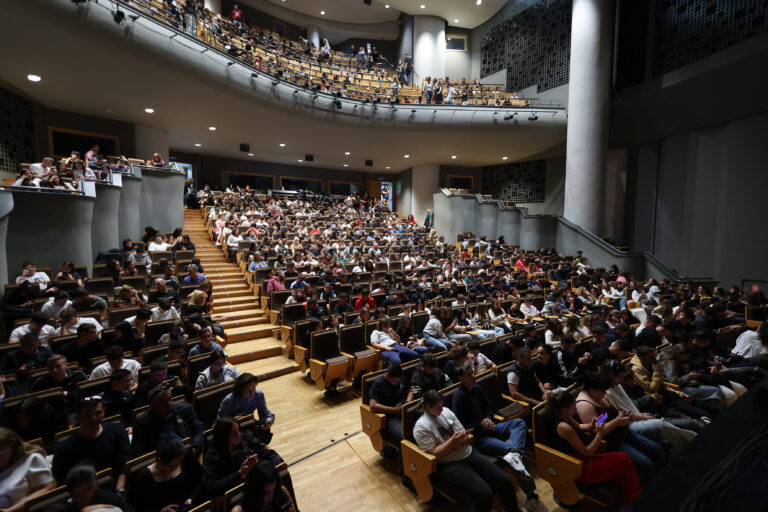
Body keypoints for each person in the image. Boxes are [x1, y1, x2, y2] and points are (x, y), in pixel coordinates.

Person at [452, 364, 548, 512]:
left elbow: (489, 408)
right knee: (512, 454)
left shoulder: (477, 388)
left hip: (492, 426)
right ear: (460, 378)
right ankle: (531, 497)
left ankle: (516, 451)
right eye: (469, 374)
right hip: (480, 437)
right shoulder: (458, 396)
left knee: (518, 423)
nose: (473, 376)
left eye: (473, 373)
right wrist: (482, 424)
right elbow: (462, 424)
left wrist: (488, 418)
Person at [413, 389, 521, 512]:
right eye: (438, 407)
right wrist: (453, 442)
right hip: (448, 463)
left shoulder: (446, 412)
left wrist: (456, 443)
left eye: (442, 405)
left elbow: (464, 435)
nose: (442, 409)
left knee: (505, 482)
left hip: (468, 452)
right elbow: (436, 454)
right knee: (484, 495)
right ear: (428, 406)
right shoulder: (421, 427)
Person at [548, 391, 641, 505]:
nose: (575, 409)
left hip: (579, 456)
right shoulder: (564, 428)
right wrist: (599, 434)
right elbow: (587, 452)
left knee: (625, 471)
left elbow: (579, 426)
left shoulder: (566, 416)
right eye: (573, 407)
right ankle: (633, 501)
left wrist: (591, 425)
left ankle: (631, 502)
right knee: (625, 459)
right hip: (576, 465)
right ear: (563, 408)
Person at [574, 373, 664, 487]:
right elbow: (597, 431)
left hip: (623, 432)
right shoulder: (584, 405)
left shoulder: (600, 396)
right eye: (602, 391)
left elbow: (607, 415)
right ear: (591, 389)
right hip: (611, 442)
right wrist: (617, 421)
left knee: (657, 450)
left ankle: (661, 482)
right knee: (646, 464)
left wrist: (629, 415)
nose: (605, 393)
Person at [53, 395, 131, 492]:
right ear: (77, 417)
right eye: (87, 415)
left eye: (97, 413)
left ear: (104, 411)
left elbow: (123, 466)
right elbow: (64, 485)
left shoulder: (117, 430)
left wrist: (120, 492)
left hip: (115, 491)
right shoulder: (64, 449)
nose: (93, 418)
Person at [202, 417, 284, 500]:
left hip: (259, 483)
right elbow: (211, 486)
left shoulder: (245, 437)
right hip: (239, 494)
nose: (238, 435)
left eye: (238, 430)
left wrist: (276, 468)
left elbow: (268, 453)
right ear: (224, 437)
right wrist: (239, 474)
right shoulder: (212, 457)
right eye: (234, 434)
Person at [127, 437, 202, 512]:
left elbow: (200, 478)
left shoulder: (186, 457)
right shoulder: (145, 476)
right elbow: (138, 508)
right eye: (171, 466)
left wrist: (191, 498)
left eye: (178, 464)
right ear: (159, 460)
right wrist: (161, 511)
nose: (175, 469)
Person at [131, 385, 205, 457]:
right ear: (153, 405)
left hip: (188, 454)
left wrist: (195, 447)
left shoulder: (185, 409)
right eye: (163, 402)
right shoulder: (142, 422)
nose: (169, 404)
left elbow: (199, 428)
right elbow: (137, 451)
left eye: (169, 399)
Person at [0, 427, 55, 512]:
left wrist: (11, 510)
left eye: (1, 451)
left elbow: (45, 489)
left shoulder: (32, 459)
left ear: (12, 446)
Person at [217, 373, 276, 444]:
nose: (252, 394)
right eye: (248, 391)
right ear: (240, 390)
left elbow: (264, 413)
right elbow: (218, 424)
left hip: (249, 426)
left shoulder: (258, 395)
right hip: (233, 431)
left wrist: (268, 420)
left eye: (254, 389)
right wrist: (232, 421)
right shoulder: (228, 400)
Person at [368, 363, 407, 458]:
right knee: (405, 436)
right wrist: (394, 410)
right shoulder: (378, 384)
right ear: (388, 376)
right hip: (390, 417)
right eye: (395, 380)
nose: (397, 382)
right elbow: (373, 406)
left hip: (403, 411)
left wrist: (407, 402)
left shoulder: (399, 377)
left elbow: (409, 391)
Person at [64, 462, 135, 512]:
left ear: (94, 485)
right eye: (77, 495)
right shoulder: (68, 508)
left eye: (86, 491)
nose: (83, 498)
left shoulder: (109, 498)